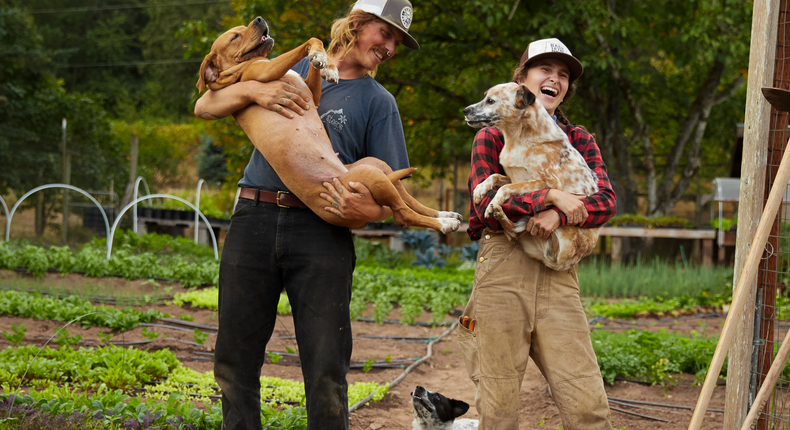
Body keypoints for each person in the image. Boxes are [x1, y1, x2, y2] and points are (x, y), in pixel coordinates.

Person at [193, 1, 420, 429]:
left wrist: (365, 212)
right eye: (384, 33)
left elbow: (391, 195)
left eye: (396, 42)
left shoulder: (379, 102)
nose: (390, 47)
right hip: (254, 217)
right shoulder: (291, 68)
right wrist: (255, 91)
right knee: (234, 358)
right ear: (356, 25)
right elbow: (205, 103)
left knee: (326, 366)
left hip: (321, 232)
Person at [459, 38, 616, 430]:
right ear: (522, 83)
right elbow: (485, 210)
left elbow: (606, 202)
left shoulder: (578, 140)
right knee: (498, 403)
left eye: (563, 75)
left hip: (559, 276)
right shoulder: (493, 135)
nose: (554, 79)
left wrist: (559, 216)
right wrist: (549, 196)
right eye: (544, 70)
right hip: (503, 275)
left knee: (586, 401)